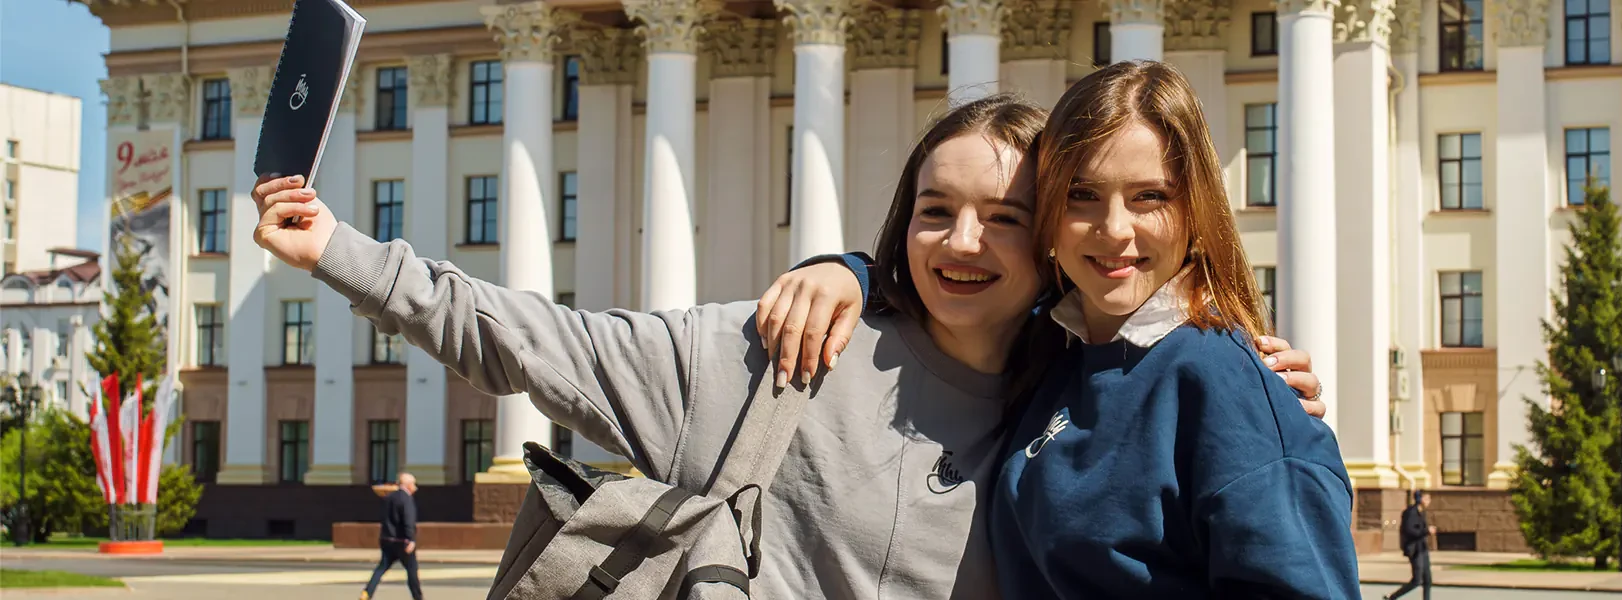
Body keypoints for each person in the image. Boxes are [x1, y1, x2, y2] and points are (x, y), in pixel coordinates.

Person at [249, 95, 1325, 600]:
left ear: (1046, 242)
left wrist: (1250, 396)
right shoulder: (776, 352)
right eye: (934, 211)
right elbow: (532, 341)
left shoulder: (1070, 396)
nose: (962, 243)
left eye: (1003, 217)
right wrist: (339, 249)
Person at [769, 62, 1361, 598]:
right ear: (1050, 212)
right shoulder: (1060, 351)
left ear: (1197, 209)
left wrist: (1259, 405)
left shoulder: (1221, 381)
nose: (1114, 229)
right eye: (1083, 195)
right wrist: (855, 275)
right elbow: (962, 291)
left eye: (1149, 196)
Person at [363, 473, 423, 600]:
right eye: (413, 484)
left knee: (381, 568)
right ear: (408, 485)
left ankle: (367, 593)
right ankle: (418, 597)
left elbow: (384, 518)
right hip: (402, 541)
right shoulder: (406, 499)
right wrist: (411, 539)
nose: (415, 487)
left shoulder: (388, 498)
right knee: (412, 570)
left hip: (386, 539)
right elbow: (408, 520)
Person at [1388, 491, 1436, 600]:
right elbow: (1409, 530)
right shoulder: (1411, 512)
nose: (1429, 501)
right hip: (1414, 550)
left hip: (1422, 548)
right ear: (1421, 499)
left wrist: (1427, 531)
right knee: (1417, 580)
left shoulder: (1422, 512)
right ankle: (1392, 597)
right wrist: (1426, 531)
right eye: (1427, 498)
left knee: (1427, 579)